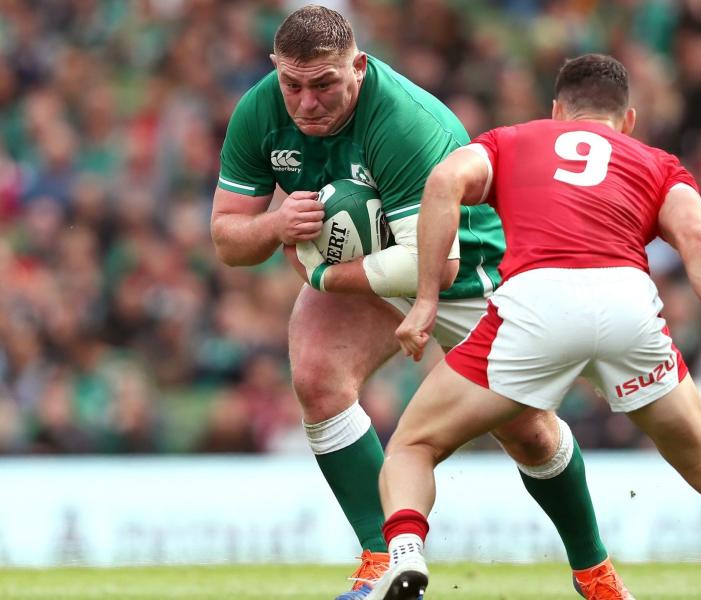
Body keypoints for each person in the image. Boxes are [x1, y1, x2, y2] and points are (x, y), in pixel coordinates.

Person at [371, 54, 701, 600]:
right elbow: (700, 240)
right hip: (628, 305)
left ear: (557, 110)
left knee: (414, 443)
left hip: (536, 306)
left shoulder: (511, 140)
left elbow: (445, 181)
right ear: (629, 119)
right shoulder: (658, 163)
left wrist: (426, 300)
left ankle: (405, 557)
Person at [210, 7, 623, 599]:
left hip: (463, 273)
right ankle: (381, 561)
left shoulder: (404, 121)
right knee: (318, 377)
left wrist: (323, 277)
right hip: (365, 270)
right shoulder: (259, 110)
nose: (305, 103)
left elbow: (432, 263)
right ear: (276, 69)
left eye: (324, 85)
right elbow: (228, 239)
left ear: (358, 65)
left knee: (527, 430)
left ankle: (593, 570)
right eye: (292, 85)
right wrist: (276, 224)